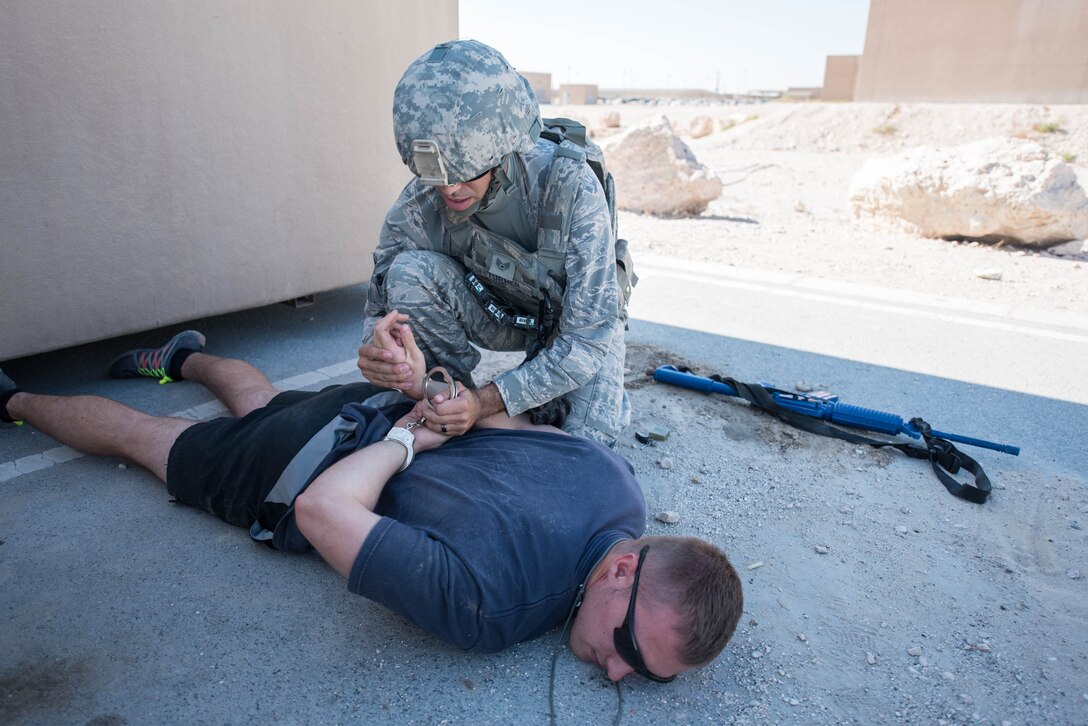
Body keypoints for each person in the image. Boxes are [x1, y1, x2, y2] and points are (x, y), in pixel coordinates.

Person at [1, 325, 743, 682]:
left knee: (265, 402)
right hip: (305, 465)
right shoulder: (494, 608)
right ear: (622, 573)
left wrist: (425, 406)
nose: (616, 674)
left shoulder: (618, 484)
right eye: (629, 651)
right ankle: (17, 399)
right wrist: (410, 443)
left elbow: (492, 419)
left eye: (643, 675)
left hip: (362, 406)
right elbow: (325, 511)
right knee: (147, 438)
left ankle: (184, 357)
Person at [357, 39, 631, 446]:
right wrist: (381, 357)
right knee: (408, 274)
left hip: (575, 326)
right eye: (436, 175)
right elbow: (379, 312)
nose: (449, 189)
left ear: (501, 152)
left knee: (582, 448)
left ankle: (480, 409)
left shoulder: (569, 187)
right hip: (501, 314)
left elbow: (586, 342)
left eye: (465, 171)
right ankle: (450, 400)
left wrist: (488, 402)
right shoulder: (419, 203)